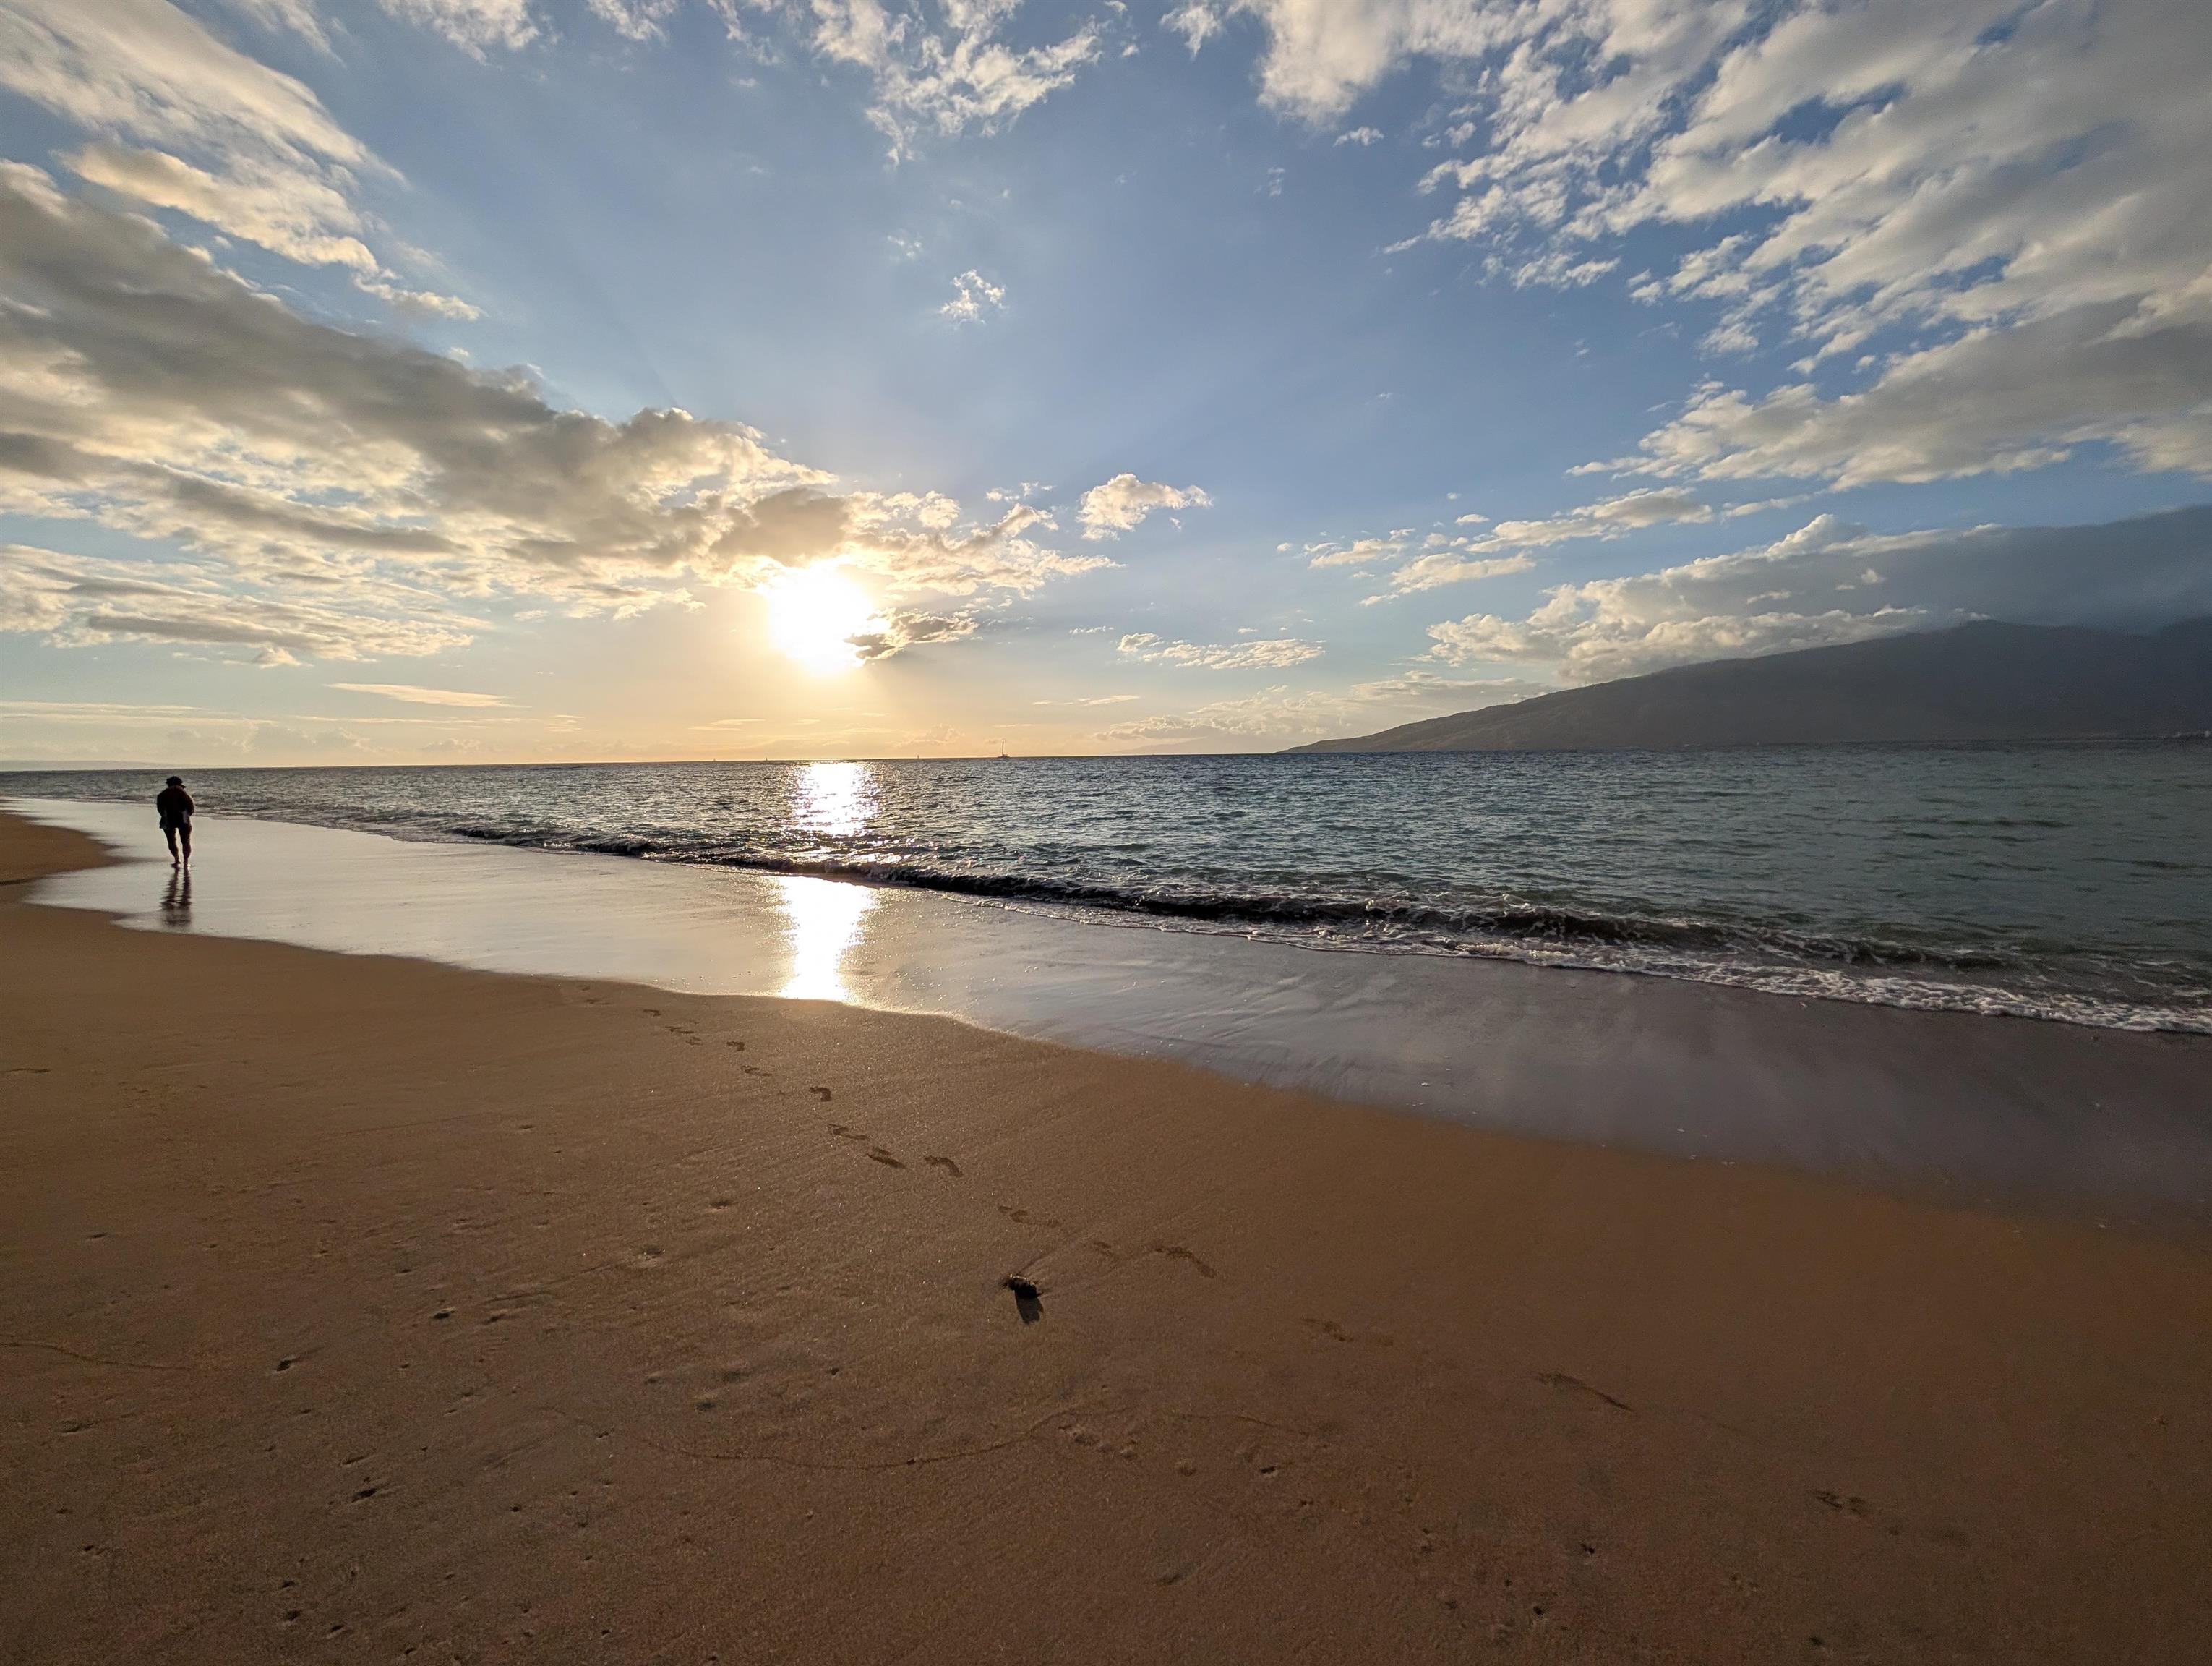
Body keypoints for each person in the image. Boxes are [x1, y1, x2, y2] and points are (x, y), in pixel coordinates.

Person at [156, 775, 194, 867]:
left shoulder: (162, 795)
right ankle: (186, 861)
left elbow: (160, 809)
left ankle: (177, 859)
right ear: (179, 784)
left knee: (171, 840)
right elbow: (191, 809)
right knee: (186, 840)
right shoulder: (183, 794)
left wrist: (165, 815)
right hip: (183, 819)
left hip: (168, 819)